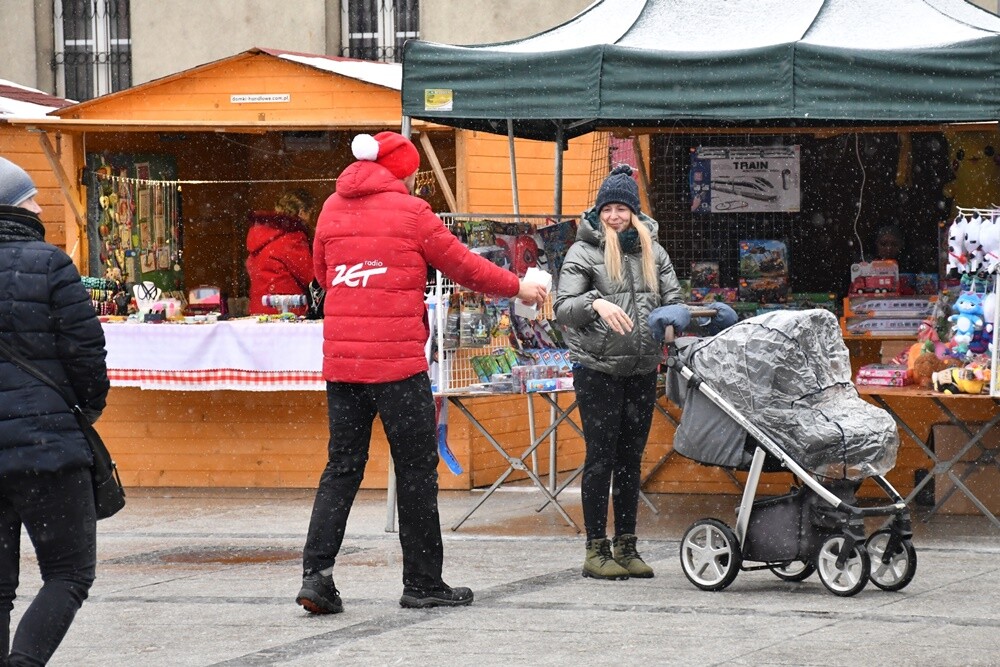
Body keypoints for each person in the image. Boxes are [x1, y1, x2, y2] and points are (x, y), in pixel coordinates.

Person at [298, 131, 548, 613]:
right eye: (413, 171)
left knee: (342, 468)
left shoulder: (331, 207)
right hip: (397, 368)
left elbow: (322, 273)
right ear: (403, 170)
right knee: (415, 471)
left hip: (343, 369)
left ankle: (317, 576)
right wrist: (519, 287)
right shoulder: (412, 213)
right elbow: (465, 267)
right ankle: (422, 581)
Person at [0, 157, 110, 665]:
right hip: (46, 448)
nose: (40, 205)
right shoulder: (49, 263)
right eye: (31, 198)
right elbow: (86, 352)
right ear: (14, 208)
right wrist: (84, 410)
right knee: (68, 572)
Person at [554, 164, 684, 581]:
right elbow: (563, 309)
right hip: (598, 370)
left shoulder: (653, 251)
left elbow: (673, 301)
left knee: (631, 459)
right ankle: (596, 548)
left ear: (633, 212)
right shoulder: (583, 251)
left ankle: (626, 545)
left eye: (621, 209)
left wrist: (677, 322)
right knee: (600, 458)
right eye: (607, 208)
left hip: (643, 370)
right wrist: (596, 303)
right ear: (598, 211)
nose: (614, 216)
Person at [246, 189, 316, 315]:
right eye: (310, 214)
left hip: (260, 310)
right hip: (284, 313)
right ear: (301, 213)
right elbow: (312, 277)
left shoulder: (263, 236)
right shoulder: (292, 239)